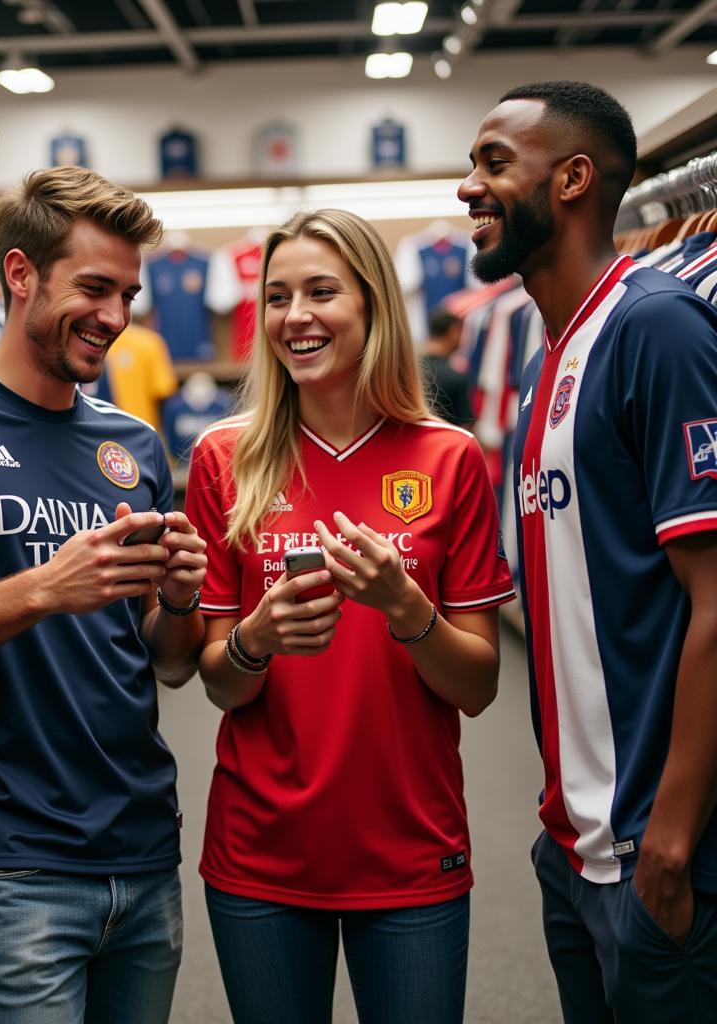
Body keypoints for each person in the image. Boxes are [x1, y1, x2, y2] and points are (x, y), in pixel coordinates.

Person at [0, 166, 207, 1024]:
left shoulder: (131, 441)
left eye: (127, 293)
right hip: (7, 865)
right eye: (93, 287)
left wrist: (181, 596)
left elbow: (165, 662)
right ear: (19, 274)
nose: (115, 318)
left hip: (143, 850)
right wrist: (44, 589)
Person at [183, 208, 515, 1023]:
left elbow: (478, 685)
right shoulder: (223, 458)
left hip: (410, 849)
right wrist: (255, 641)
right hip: (261, 854)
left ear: (372, 306)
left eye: (322, 292)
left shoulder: (449, 457)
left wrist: (407, 610)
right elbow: (219, 684)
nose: (295, 317)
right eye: (277, 296)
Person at [459, 80, 717, 1021]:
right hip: (572, 848)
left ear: (572, 179)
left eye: (493, 163)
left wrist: (673, 839)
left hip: (655, 851)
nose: (467, 189)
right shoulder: (544, 348)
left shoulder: (657, 325)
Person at [420, 308, 475, 428]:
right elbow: (466, 425)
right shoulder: (456, 377)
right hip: (447, 443)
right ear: (454, 332)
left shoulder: (408, 370)